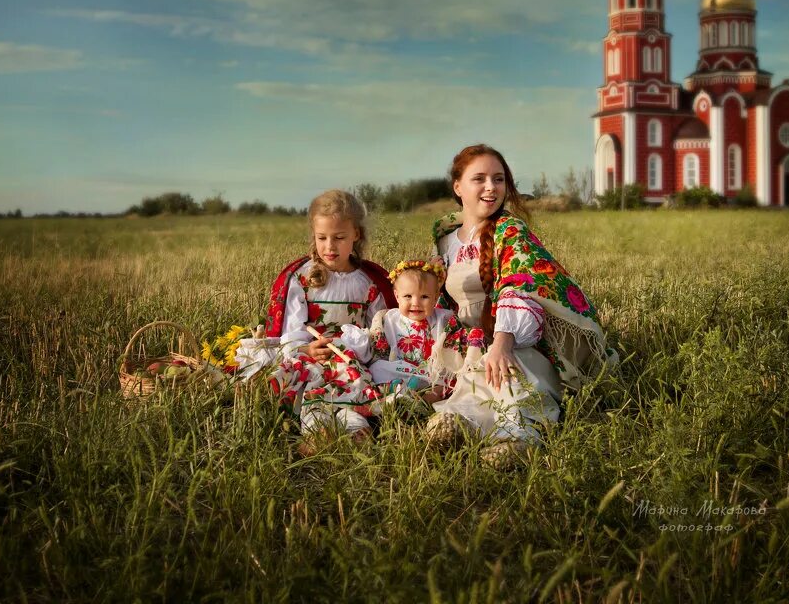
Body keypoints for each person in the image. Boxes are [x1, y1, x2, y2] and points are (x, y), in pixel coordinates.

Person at [425, 144, 614, 468]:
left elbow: (522, 287)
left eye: (498, 179)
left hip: (515, 337)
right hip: (468, 340)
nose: (491, 187)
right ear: (458, 187)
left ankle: (518, 438)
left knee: (507, 375)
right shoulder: (445, 238)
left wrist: (502, 344)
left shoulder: (510, 232)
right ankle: (459, 426)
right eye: (479, 178)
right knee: (469, 384)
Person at [231, 190, 395, 448]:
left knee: (353, 389)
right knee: (315, 393)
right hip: (312, 354)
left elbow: (377, 329)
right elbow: (293, 329)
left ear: (356, 235)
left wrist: (356, 347)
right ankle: (316, 434)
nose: (330, 246)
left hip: (351, 356)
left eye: (339, 238)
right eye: (322, 238)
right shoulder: (302, 278)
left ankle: (356, 431)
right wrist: (307, 347)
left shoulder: (368, 283)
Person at [354, 259, 474, 404]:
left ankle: (424, 400)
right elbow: (379, 351)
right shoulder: (387, 319)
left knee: (450, 378)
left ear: (435, 297)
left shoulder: (445, 318)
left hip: (430, 373)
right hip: (398, 369)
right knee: (377, 368)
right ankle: (395, 393)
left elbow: (454, 350)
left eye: (424, 297)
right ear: (397, 296)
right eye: (408, 296)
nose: (415, 303)